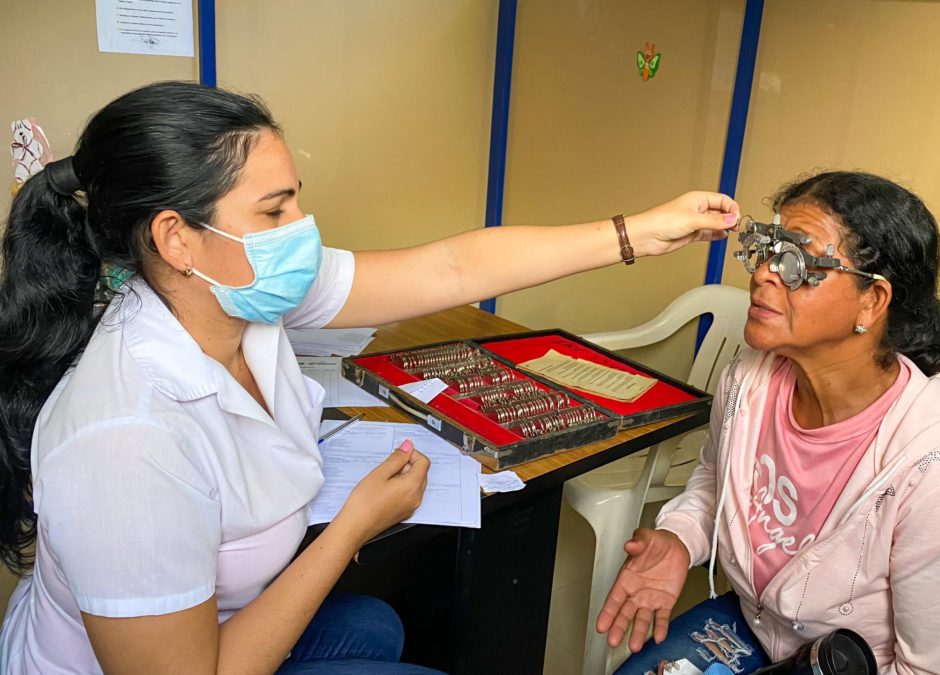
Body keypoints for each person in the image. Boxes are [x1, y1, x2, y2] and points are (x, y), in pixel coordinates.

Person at [0, 81, 740, 674]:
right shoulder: (124, 439)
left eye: (295, 197)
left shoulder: (238, 291)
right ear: (177, 237)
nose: (303, 227)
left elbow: (451, 267)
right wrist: (351, 526)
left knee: (377, 621)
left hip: (222, 617)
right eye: (275, 209)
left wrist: (639, 231)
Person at [598, 172, 940, 675]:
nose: (764, 275)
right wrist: (680, 537)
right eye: (767, 250)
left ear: (872, 301)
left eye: (795, 261)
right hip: (752, 623)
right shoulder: (747, 384)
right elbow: (715, 478)